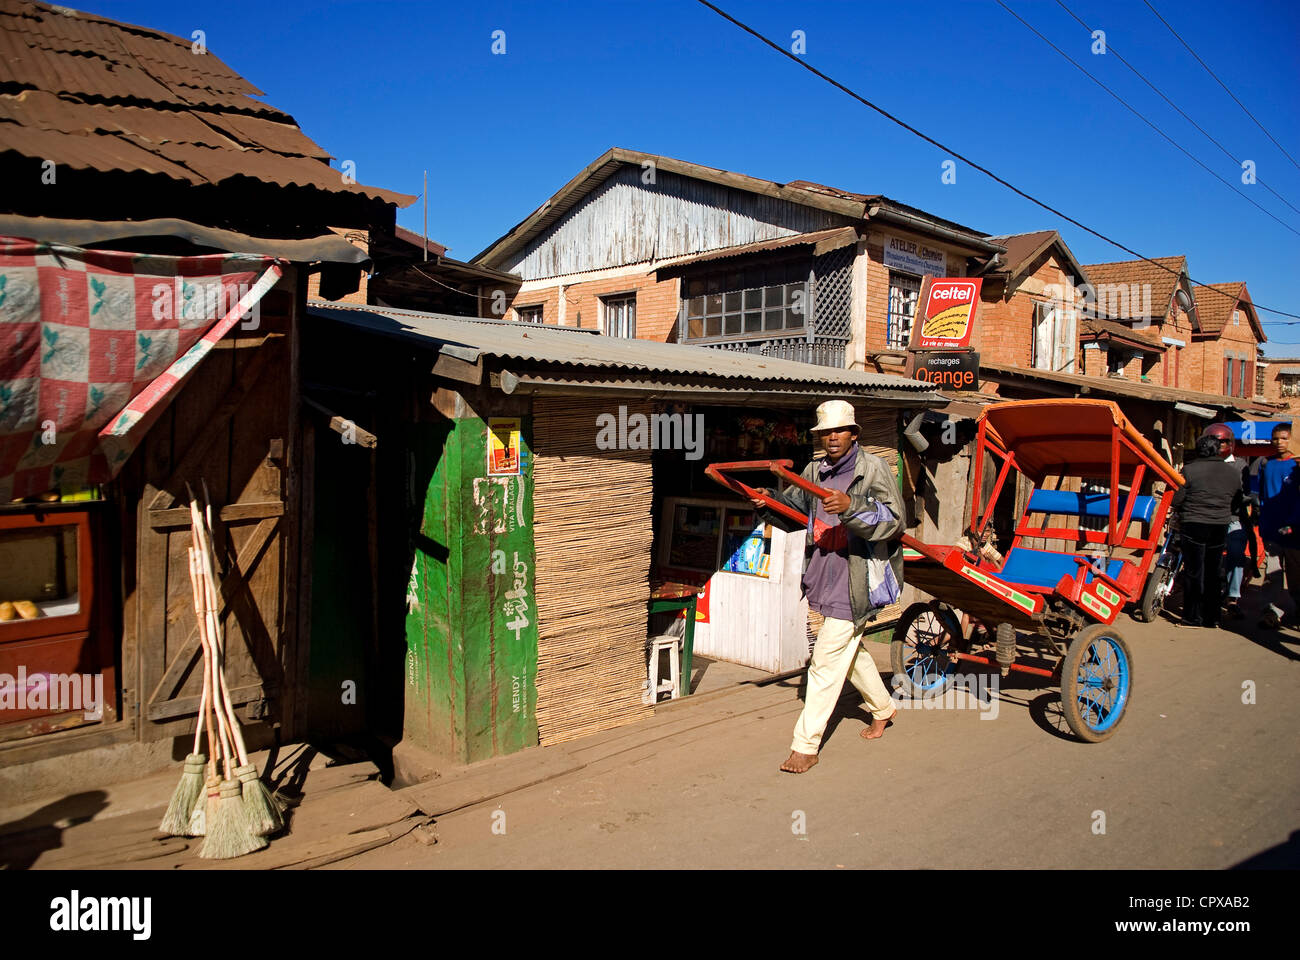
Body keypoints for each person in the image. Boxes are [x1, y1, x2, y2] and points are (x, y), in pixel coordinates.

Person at [747, 400, 905, 774]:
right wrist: (765, 502)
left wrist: (852, 506)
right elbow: (793, 513)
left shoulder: (873, 468)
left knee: (824, 662)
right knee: (848, 651)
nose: (831, 438)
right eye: (824, 433)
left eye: (838, 431)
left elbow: (894, 521)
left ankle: (805, 746)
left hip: (858, 577)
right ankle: (883, 709)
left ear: (853, 433)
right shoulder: (814, 470)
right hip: (824, 572)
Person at [1171, 426, 1244, 629]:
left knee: (1194, 571)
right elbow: (1236, 503)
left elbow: (1177, 499)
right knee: (1213, 572)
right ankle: (1212, 618)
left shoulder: (1189, 470)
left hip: (1193, 525)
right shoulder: (1232, 473)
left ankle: (1192, 618)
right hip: (1219, 525)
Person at [1256, 423, 1300, 628]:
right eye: (1276, 439)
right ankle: (1271, 611)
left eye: (1283, 438)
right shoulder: (1266, 463)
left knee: (1295, 573)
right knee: (1272, 571)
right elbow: (1263, 494)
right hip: (1272, 527)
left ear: (1290, 439)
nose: (1279, 443)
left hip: (1294, 529)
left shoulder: (1296, 465)